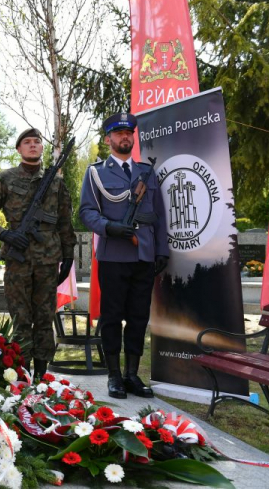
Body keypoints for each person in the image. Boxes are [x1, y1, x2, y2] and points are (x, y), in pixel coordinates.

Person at [79, 112, 169, 399]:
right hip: (114, 254)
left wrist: (162, 250)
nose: (125, 137)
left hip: (144, 254)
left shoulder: (147, 171)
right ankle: (114, 375)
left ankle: (132, 374)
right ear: (108, 139)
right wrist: (109, 228)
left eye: (129, 132)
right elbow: (87, 211)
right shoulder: (96, 172)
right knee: (112, 317)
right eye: (118, 133)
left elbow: (160, 215)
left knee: (139, 317)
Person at [0, 128, 76, 380]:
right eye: (27, 142)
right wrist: (4, 233)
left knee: (44, 318)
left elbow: (65, 222)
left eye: (37, 142)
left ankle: (42, 375)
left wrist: (69, 256)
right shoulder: (6, 179)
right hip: (18, 261)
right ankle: (21, 374)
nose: (32, 146)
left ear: (42, 148)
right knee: (21, 319)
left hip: (48, 261)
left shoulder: (56, 182)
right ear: (19, 149)